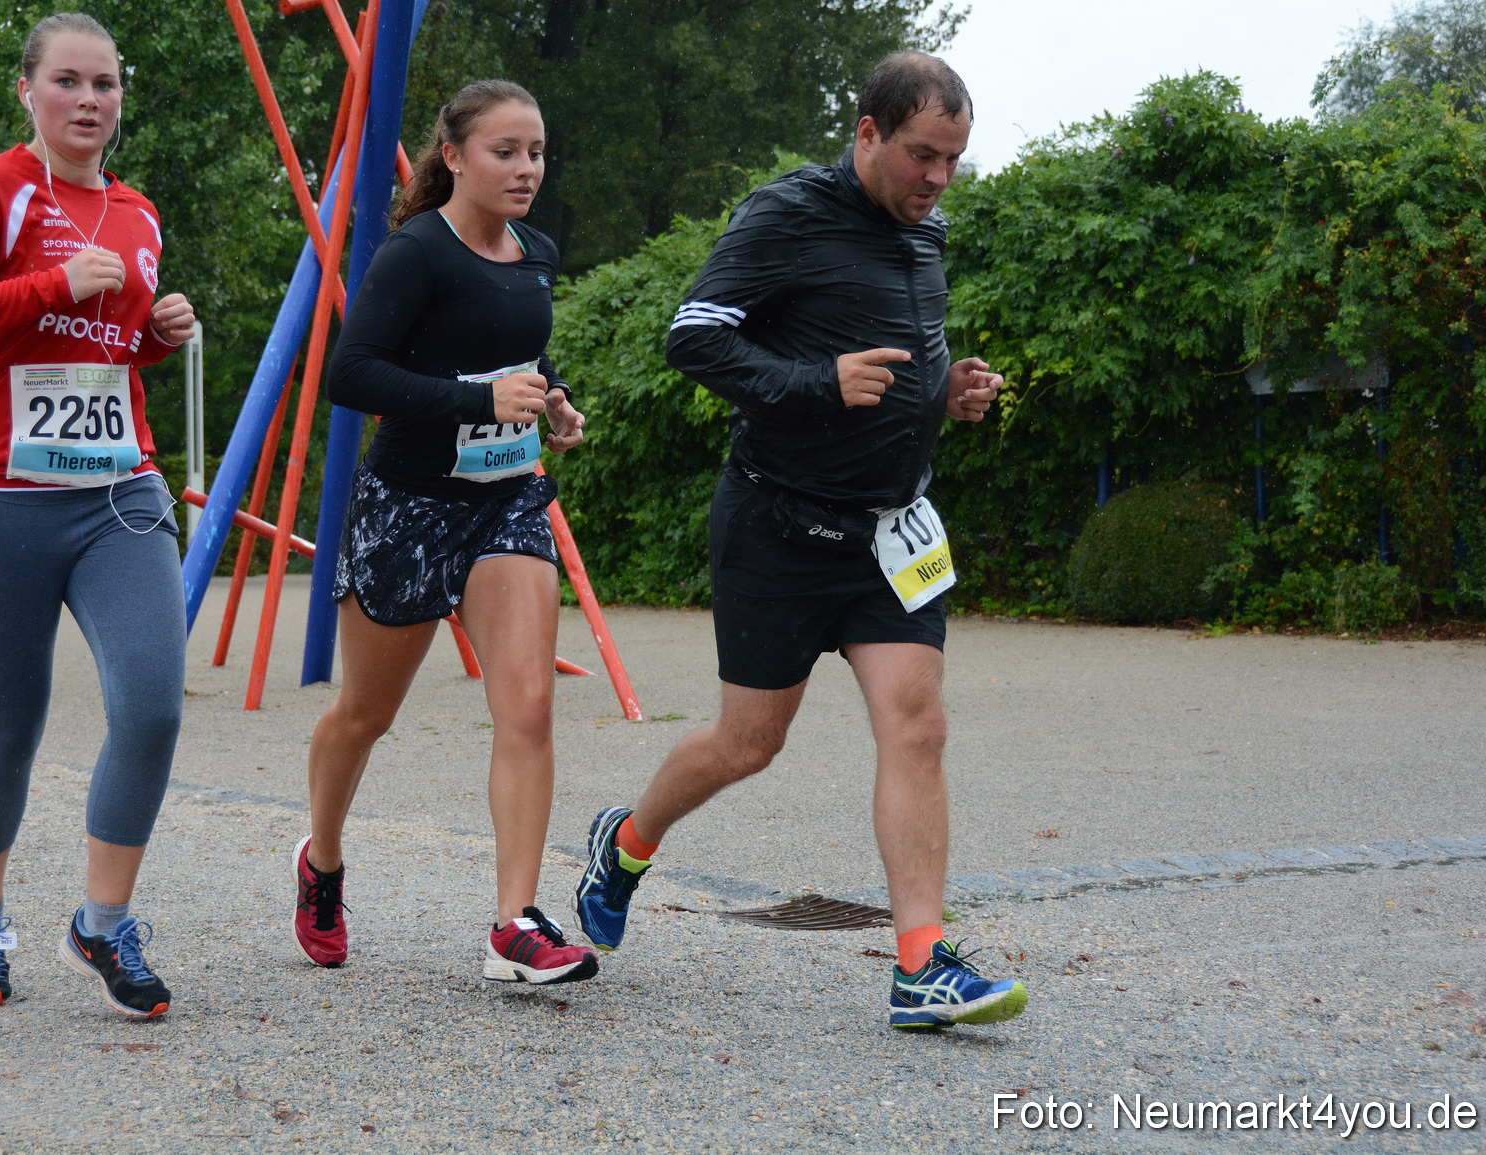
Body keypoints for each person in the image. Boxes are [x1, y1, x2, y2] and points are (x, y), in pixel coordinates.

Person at [574, 53, 1027, 1029]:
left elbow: (899, 359)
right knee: (746, 746)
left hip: (889, 532)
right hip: (778, 525)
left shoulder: (925, 229)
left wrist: (946, 394)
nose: (937, 179)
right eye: (920, 156)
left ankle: (919, 965)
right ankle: (626, 845)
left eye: (951, 159)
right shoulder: (786, 214)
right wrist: (813, 382)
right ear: (866, 134)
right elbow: (691, 334)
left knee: (918, 723)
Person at [0, 13, 196, 1018]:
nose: (90, 101)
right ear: (29, 91)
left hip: (118, 491)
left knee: (150, 705)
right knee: (8, 730)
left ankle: (101, 927)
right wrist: (44, 285)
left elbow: (104, 347)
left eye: (105, 84)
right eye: (68, 81)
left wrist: (154, 333)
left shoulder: (141, 212)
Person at [292, 80, 595, 986]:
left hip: (506, 501)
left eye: (536, 151)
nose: (527, 169)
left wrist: (555, 396)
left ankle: (514, 922)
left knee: (529, 705)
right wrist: (477, 400)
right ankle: (322, 863)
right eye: (506, 151)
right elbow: (355, 374)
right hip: (411, 507)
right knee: (365, 713)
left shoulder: (536, 251)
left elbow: (519, 355)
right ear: (454, 155)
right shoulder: (414, 253)